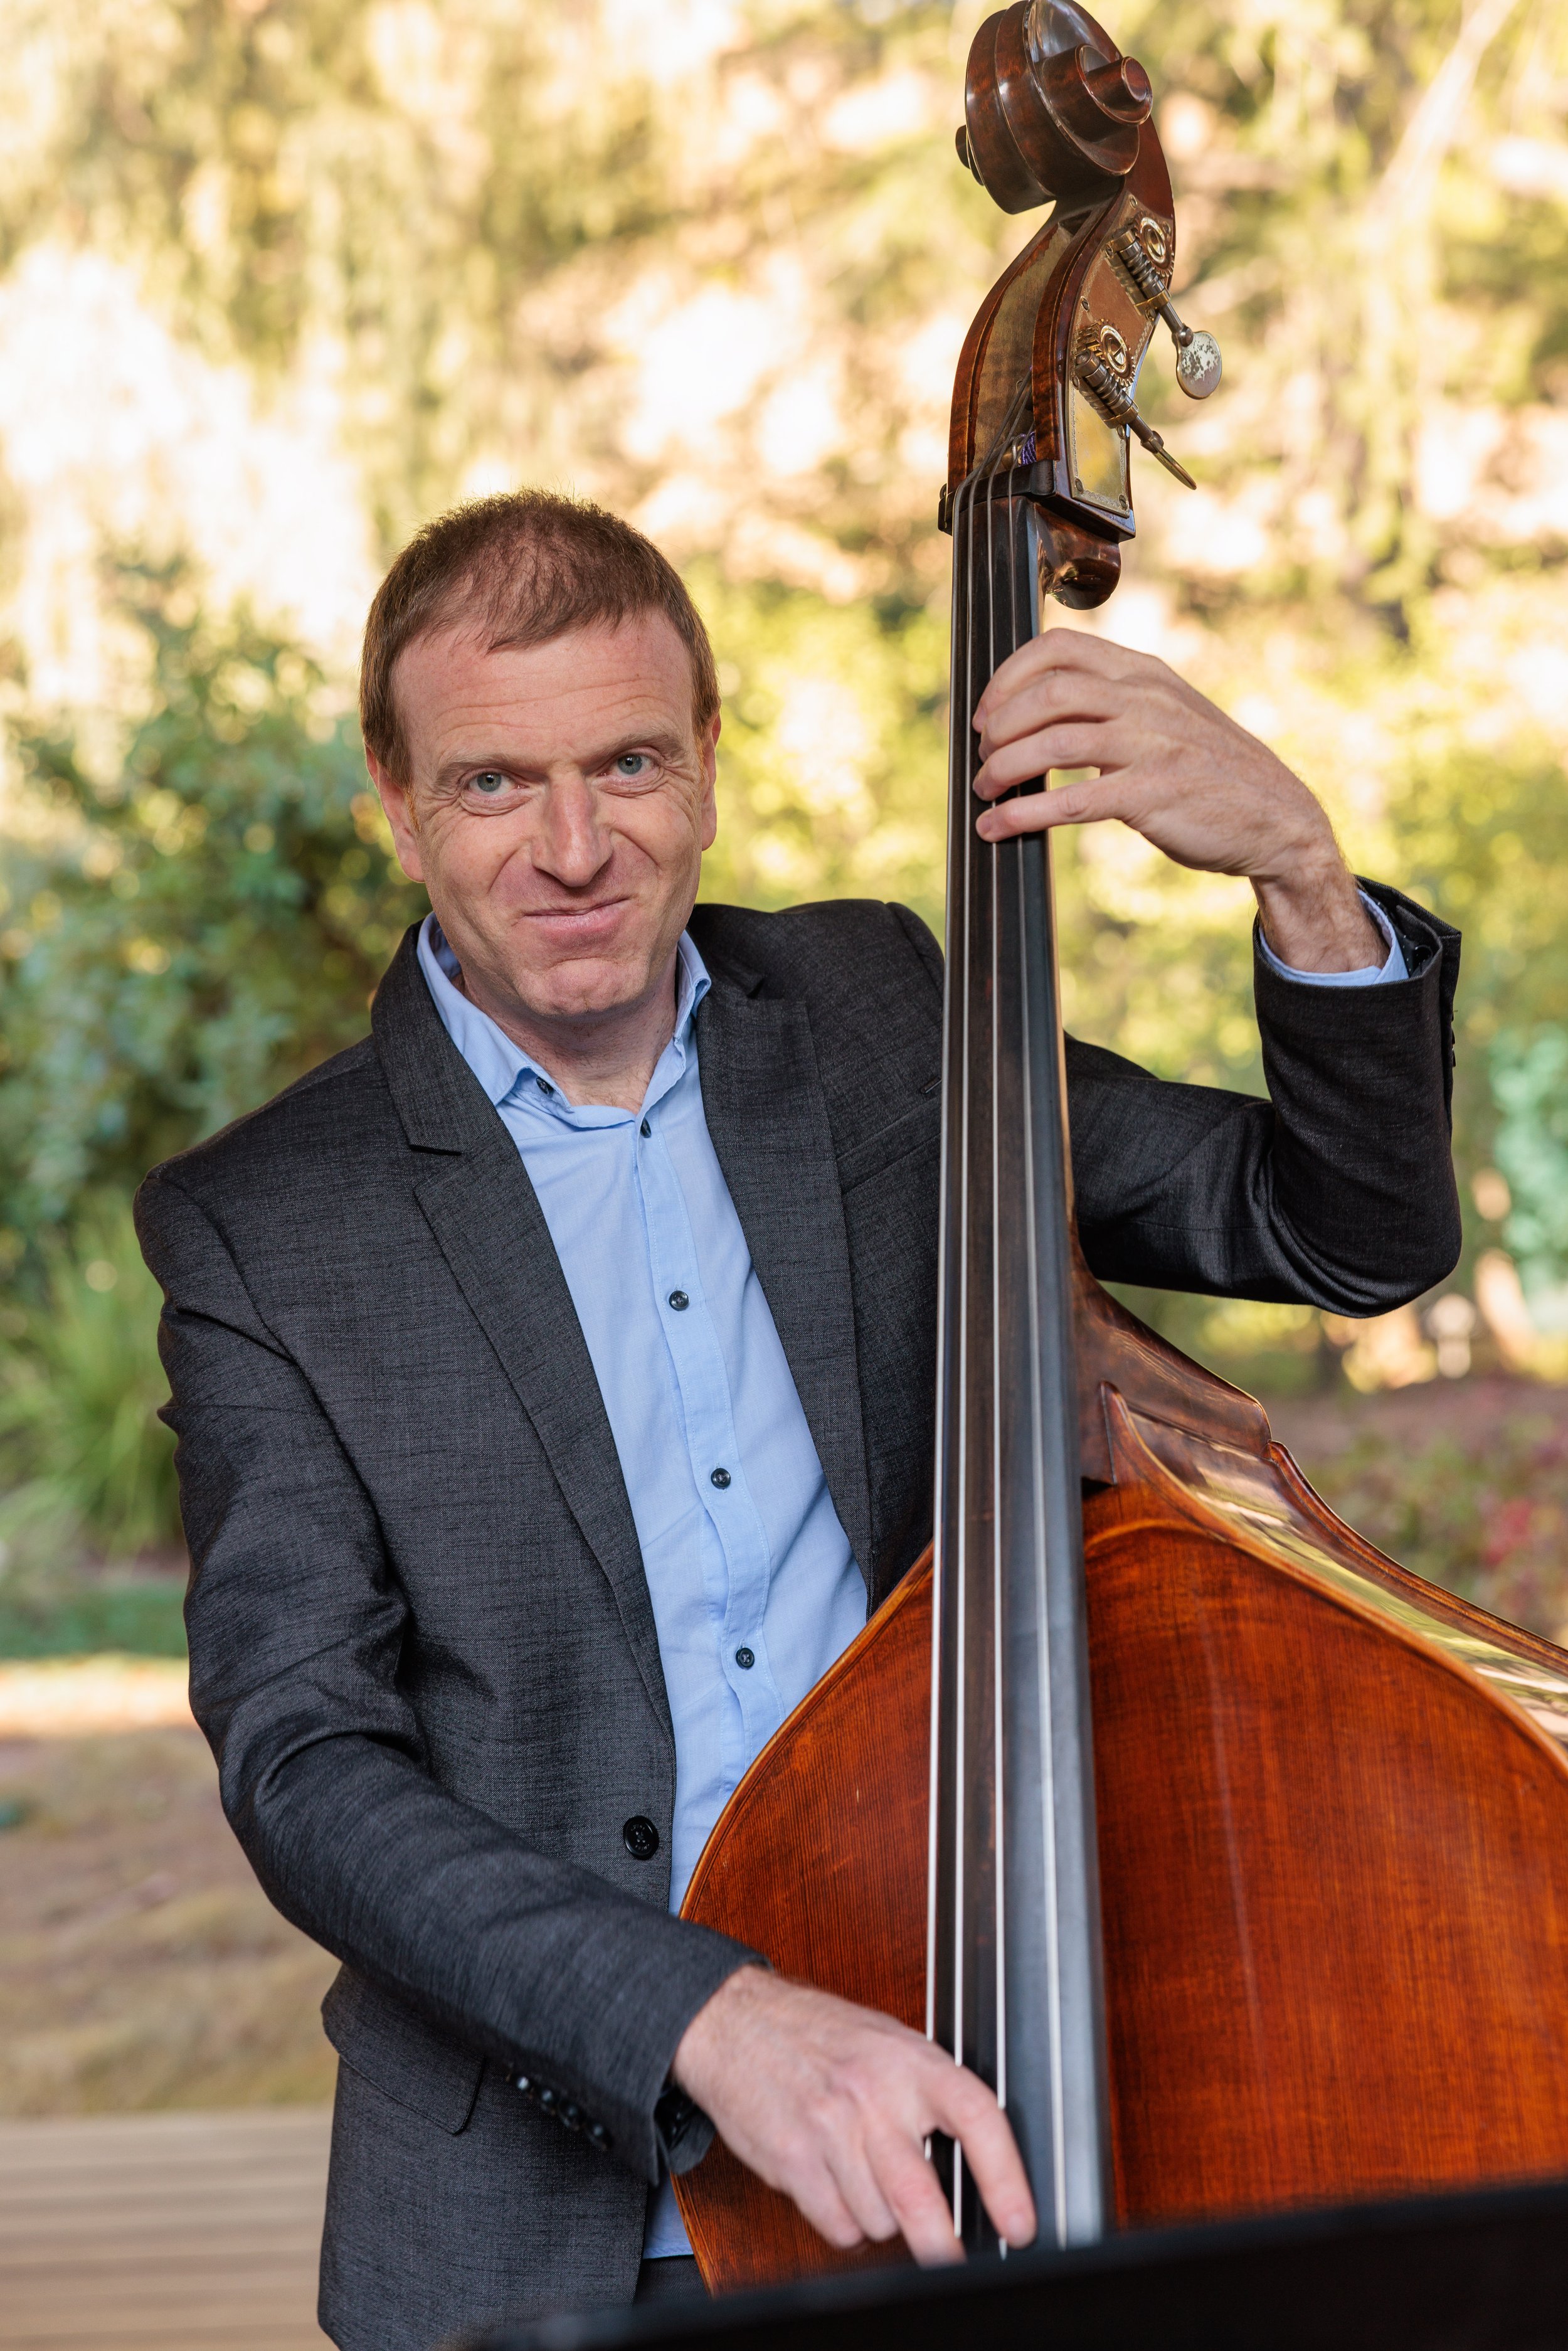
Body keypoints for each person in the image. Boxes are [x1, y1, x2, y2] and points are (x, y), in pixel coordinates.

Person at [135, 492, 1460, 2351]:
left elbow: (1342, 1232)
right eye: (496, 783)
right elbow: (307, 1766)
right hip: (540, 2221)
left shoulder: (878, 1015)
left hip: (980, 2082)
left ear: (707, 758)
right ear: (398, 802)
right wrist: (708, 2017)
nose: (575, 847)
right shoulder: (268, 1227)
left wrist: (1301, 871)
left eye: (628, 762)